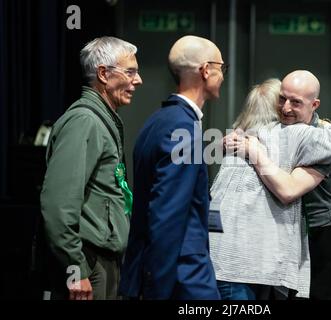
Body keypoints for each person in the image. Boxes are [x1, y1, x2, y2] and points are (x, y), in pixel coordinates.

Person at [209, 77, 331, 299]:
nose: (286, 108)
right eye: (282, 100)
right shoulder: (267, 137)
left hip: (320, 238)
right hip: (284, 237)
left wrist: (254, 151)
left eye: (295, 102)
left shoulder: (319, 138)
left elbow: (288, 190)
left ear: (314, 105)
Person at [119, 35, 226, 300]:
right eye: (221, 68)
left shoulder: (157, 121)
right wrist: (157, 289)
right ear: (205, 70)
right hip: (182, 278)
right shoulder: (183, 128)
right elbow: (167, 214)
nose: (223, 76)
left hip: (160, 272)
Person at [40, 36, 143, 300]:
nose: (138, 80)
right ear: (103, 74)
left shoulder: (100, 119)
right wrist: (76, 268)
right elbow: (58, 203)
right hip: (88, 263)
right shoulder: (84, 121)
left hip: (100, 261)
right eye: (130, 72)